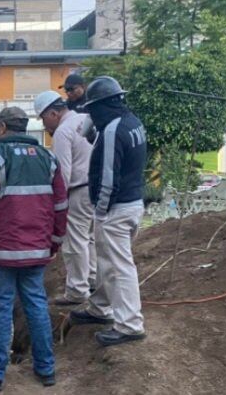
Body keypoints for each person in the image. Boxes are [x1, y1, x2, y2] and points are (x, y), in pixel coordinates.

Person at [0, 107, 68, 391]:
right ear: (25, 127)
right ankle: (46, 369)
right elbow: (60, 206)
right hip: (37, 250)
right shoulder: (49, 159)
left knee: (0, 308)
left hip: (1, 251)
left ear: (2, 127)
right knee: (36, 305)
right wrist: (55, 241)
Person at [69, 76, 149, 347]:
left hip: (115, 209)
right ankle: (100, 308)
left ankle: (129, 324)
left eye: (92, 109)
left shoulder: (114, 130)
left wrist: (101, 213)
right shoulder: (132, 122)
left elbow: (107, 178)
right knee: (108, 262)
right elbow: (94, 139)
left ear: (103, 106)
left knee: (119, 267)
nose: (90, 114)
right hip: (132, 202)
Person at [35, 91, 96, 306]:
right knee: (89, 237)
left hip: (78, 190)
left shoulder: (63, 132)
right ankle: (92, 278)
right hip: (96, 188)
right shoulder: (86, 119)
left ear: (53, 113)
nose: (45, 126)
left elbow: (62, 175)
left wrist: (55, 205)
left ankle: (78, 290)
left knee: (74, 241)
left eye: (44, 119)